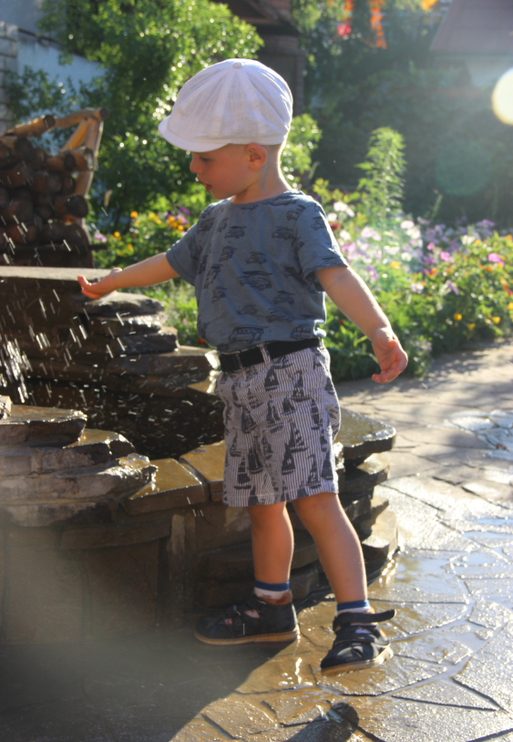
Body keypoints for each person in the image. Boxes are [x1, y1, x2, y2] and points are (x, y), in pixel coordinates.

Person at [78, 59, 408, 674]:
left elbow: (337, 275)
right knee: (261, 503)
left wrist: (380, 330)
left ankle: (357, 621)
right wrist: (112, 281)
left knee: (315, 498)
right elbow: (170, 261)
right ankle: (271, 607)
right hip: (239, 381)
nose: (194, 169)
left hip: (291, 372)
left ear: (254, 155)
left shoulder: (297, 214)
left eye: (205, 158)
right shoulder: (214, 220)